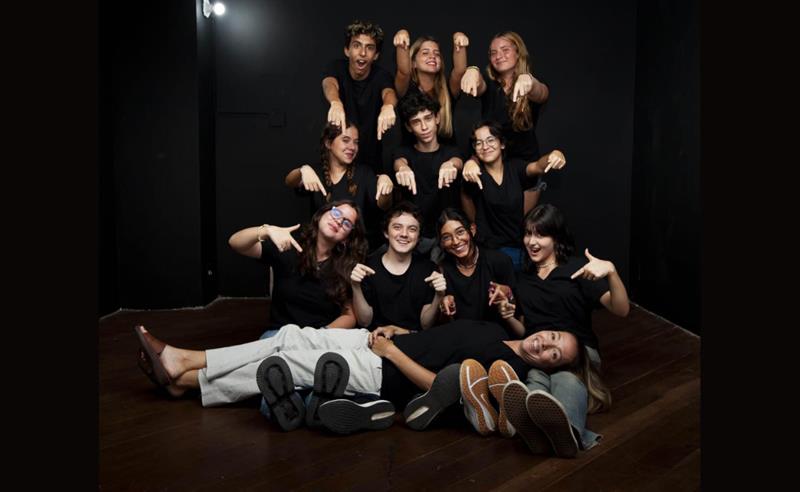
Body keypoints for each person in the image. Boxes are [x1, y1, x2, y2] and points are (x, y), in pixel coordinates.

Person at [133, 318, 583, 435]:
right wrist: (399, 332)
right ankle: (184, 378)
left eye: (553, 354)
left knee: (288, 360)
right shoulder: (496, 330)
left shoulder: (507, 370)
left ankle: (183, 364)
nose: (545, 344)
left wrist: (392, 352)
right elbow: (441, 340)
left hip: (383, 372)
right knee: (288, 336)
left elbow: (442, 388)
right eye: (553, 337)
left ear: (549, 366)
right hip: (380, 342)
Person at [476, 203, 630, 458]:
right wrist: (509, 316)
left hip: (577, 353)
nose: (531, 242)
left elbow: (621, 309)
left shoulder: (578, 269)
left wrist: (611, 272)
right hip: (539, 351)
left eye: (540, 235)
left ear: (556, 238)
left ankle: (569, 433)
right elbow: (525, 330)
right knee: (535, 381)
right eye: (528, 233)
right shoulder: (523, 278)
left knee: (564, 379)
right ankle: (542, 434)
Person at [227, 200, 368, 334]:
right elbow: (235, 243)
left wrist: (319, 335)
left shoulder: (344, 266)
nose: (338, 221)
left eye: (346, 223)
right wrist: (266, 231)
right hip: (280, 335)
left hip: (319, 339)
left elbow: (349, 316)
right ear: (322, 214)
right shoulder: (289, 246)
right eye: (336, 213)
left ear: (346, 238)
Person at [459, 31, 550, 214]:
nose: (498, 55)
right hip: (491, 163)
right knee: (485, 220)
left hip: (525, 166)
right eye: (493, 52)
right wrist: (472, 70)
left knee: (518, 224)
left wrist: (529, 81)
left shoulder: (529, 84)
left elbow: (542, 93)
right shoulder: (490, 84)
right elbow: (479, 85)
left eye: (505, 50)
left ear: (518, 52)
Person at [460, 121, 566, 270]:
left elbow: (538, 166)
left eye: (490, 140)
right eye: (479, 143)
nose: (485, 146)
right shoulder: (474, 173)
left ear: (502, 144)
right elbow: (465, 196)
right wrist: (473, 222)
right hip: (489, 249)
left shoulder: (515, 167)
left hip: (518, 247)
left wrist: (554, 155)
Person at [284, 121, 393, 249]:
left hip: (355, 250)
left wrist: (386, 186)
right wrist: (303, 170)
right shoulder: (316, 173)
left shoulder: (364, 173)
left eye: (356, 142)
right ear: (328, 143)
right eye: (345, 140)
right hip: (322, 249)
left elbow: (384, 205)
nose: (352, 147)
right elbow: (289, 182)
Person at [350, 202, 446, 332]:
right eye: (397, 227)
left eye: (412, 229)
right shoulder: (368, 267)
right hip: (375, 338)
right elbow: (364, 321)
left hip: (413, 339)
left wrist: (439, 296)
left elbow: (426, 325)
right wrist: (355, 286)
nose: (404, 234)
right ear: (386, 232)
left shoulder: (429, 269)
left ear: (418, 237)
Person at [322, 20, 397, 176]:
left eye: (369, 48)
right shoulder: (336, 67)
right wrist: (335, 102)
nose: (363, 53)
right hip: (339, 158)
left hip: (371, 159)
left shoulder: (381, 75)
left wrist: (388, 106)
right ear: (347, 50)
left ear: (376, 55)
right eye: (357, 45)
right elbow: (329, 84)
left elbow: (389, 92)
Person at [393, 91, 463, 255]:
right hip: (415, 237)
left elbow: (458, 161)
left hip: (446, 236)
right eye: (416, 122)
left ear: (437, 118)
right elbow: (399, 162)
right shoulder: (404, 152)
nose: (424, 127)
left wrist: (450, 164)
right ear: (409, 127)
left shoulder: (451, 152)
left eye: (428, 118)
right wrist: (402, 168)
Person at [435, 208, 517, 328]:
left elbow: (518, 312)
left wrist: (507, 293)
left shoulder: (499, 261)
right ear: (442, 243)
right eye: (447, 237)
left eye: (460, 232)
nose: (455, 241)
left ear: (472, 230)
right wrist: (444, 307)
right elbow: (442, 324)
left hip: (495, 333)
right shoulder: (442, 270)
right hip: (460, 335)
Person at [392, 29, 469, 148]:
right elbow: (403, 71)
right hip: (410, 156)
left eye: (436, 54)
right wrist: (402, 37)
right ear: (413, 63)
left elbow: (460, 71)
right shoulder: (406, 88)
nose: (432, 56)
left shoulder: (447, 88)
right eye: (425, 53)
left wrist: (459, 38)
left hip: (447, 155)